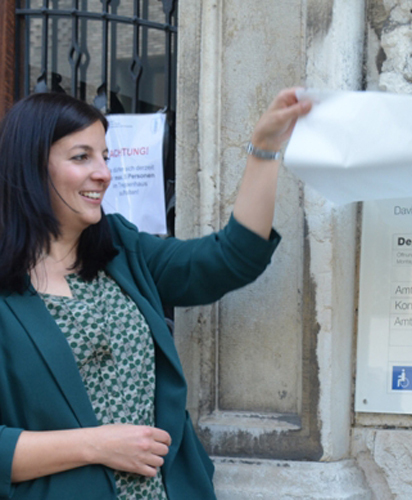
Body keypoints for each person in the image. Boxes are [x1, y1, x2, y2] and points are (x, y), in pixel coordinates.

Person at [0, 88, 311, 499]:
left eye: (105, 157)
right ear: (30, 168)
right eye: (81, 157)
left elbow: (232, 257)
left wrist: (265, 149)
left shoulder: (121, 250)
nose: (104, 173)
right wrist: (96, 444)